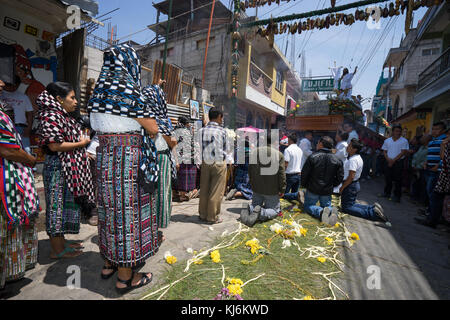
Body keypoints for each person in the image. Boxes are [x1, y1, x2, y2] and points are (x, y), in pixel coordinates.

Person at [87, 44, 159, 294]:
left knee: (108, 213)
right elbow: (153, 128)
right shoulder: (129, 91)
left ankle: (108, 265)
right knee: (128, 216)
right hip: (127, 160)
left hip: (105, 158)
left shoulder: (96, 94)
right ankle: (126, 278)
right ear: (129, 65)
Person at [36, 82, 95, 260]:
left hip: (66, 167)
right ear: (59, 99)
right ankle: (57, 250)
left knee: (62, 206)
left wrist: (82, 152)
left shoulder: (61, 114)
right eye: (72, 97)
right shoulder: (51, 115)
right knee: (55, 207)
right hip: (58, 167)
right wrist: (82, 144)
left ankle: (61, 243)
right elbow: (54, 145)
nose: (76, 101)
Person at [0, 79, 39, 291]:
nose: (2, 83)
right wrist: (30, 159)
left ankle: (10, 275)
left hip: (10, 175)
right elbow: (8, 150)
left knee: (10, 232)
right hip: (3, 180)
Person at [143, 81, 177, 232]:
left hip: (144, 159)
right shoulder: (161, 119)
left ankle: (146, 227)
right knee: (160, 194)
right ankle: (155, 228)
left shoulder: (140, 117)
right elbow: (172, 142)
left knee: (146, 194)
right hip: (160, 159)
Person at [242, 133, 286, 227]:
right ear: (275, 142)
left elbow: (250, 170)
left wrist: (252, 184)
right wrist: (282, 189)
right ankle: (260, 212)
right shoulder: (279, 155)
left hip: (257, 187)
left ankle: (249, 208)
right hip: (272, 190)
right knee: (275, 210)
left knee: (255, 206)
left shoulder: (254, 152)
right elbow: (281, 175)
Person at [339, 139, 389, 222]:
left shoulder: (353, 160)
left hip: (350, 185)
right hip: (354, 184)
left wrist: (342, 187)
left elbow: (351, 176)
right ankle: (371, 208)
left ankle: (372, 213)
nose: (347, 147)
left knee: (347, 208)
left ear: (354, 149)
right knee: (351, 204)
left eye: (349, 146)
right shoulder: (357, 157)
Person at [301, 136, 344, 226]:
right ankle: (331, 210)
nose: (316, 145)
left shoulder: (312, 157)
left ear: (321, 144)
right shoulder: (337, 160)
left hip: (313, 188)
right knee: (326, 205)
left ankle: (320, 212)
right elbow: (340, 177)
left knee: (308, 206)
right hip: (327, 189)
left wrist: (304, 185)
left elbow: (305, 174)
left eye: (317, 143)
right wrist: (332, 184)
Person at [415, 129, 450, 229]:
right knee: (433, 194)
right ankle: (431, 217)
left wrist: (438, 165)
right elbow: (443, 157)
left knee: (435, 195)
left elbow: (444, 159)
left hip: (442, 174)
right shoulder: (442, 143)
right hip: (441, 173)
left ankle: (433, 219)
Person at [198, 108, 228, 224]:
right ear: (219, 117)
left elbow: (199, 146)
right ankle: (212, 216)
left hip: (206, 161)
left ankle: (202, 214)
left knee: (204, 188)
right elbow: (227, 148)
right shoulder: (222, 131)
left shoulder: (202, 130)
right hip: (218, 162)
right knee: (216, 190)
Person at [0, 76, 34, 152]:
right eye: (11, 85)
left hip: (21, 127)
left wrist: (28, 129)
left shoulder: (23, 97)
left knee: (26, 151)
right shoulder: (1, 95)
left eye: (16, 85)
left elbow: (30, 114)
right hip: (5, 127)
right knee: (10, 150)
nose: (13, 87)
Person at [421, 122, 447, 216]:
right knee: (429, 192)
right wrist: (426, 162)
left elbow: (444, 156)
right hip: (429, 169)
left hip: (437, 171)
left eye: (437, 129)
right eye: (433, 129)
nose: (434, 131)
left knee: (433, 193)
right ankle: (430, 211)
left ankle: (433, 215)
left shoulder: (444, 140)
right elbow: (423, 142)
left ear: (443, 130)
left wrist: (438, 166)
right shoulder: (432, 140)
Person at [379, 124, 409, 203]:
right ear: (392, 132)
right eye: (396, 131)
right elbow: (384, 151)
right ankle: (387, 193)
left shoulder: (404, 141)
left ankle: (397, 196)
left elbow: (403, 152)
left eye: (400, 131)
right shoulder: (387, 141)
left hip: (398, 162)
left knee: (398, 180)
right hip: (388, 161)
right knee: (387, 178)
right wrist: (388, 160)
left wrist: (393, 161)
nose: (398, 133)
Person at [173, 116, 198, 201]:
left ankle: (180, 194)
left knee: (181, 176)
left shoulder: (176, 130)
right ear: (185, 123)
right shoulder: (184, 131)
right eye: (188, 123)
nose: (189, 124)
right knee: (185, 177)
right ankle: (183, 195)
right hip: (186, 158)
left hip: (181, 157)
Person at [411, 135, 432, 206]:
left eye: (423, 138)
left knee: (423, 185)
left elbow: (427, 159)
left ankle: (421, 201)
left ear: (428, 140)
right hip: (416, 168)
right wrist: (414, 165)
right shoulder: (421, 147)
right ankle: (414, 198)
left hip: (423, 169)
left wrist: (419, 166)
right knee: (416, 183)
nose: (421, 139)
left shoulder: (429, 148)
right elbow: (416, 156)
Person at [283, 133, 303, 201]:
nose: (287, 142)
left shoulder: (288, 150)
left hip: (290, 175)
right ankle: (297, 196)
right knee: (293, 196)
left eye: (288, 140)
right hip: (298, 174)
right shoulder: (299, 149)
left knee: (283, 194)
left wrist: (282, 173)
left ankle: (298, 195)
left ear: (290, 140)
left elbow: (286, 163)